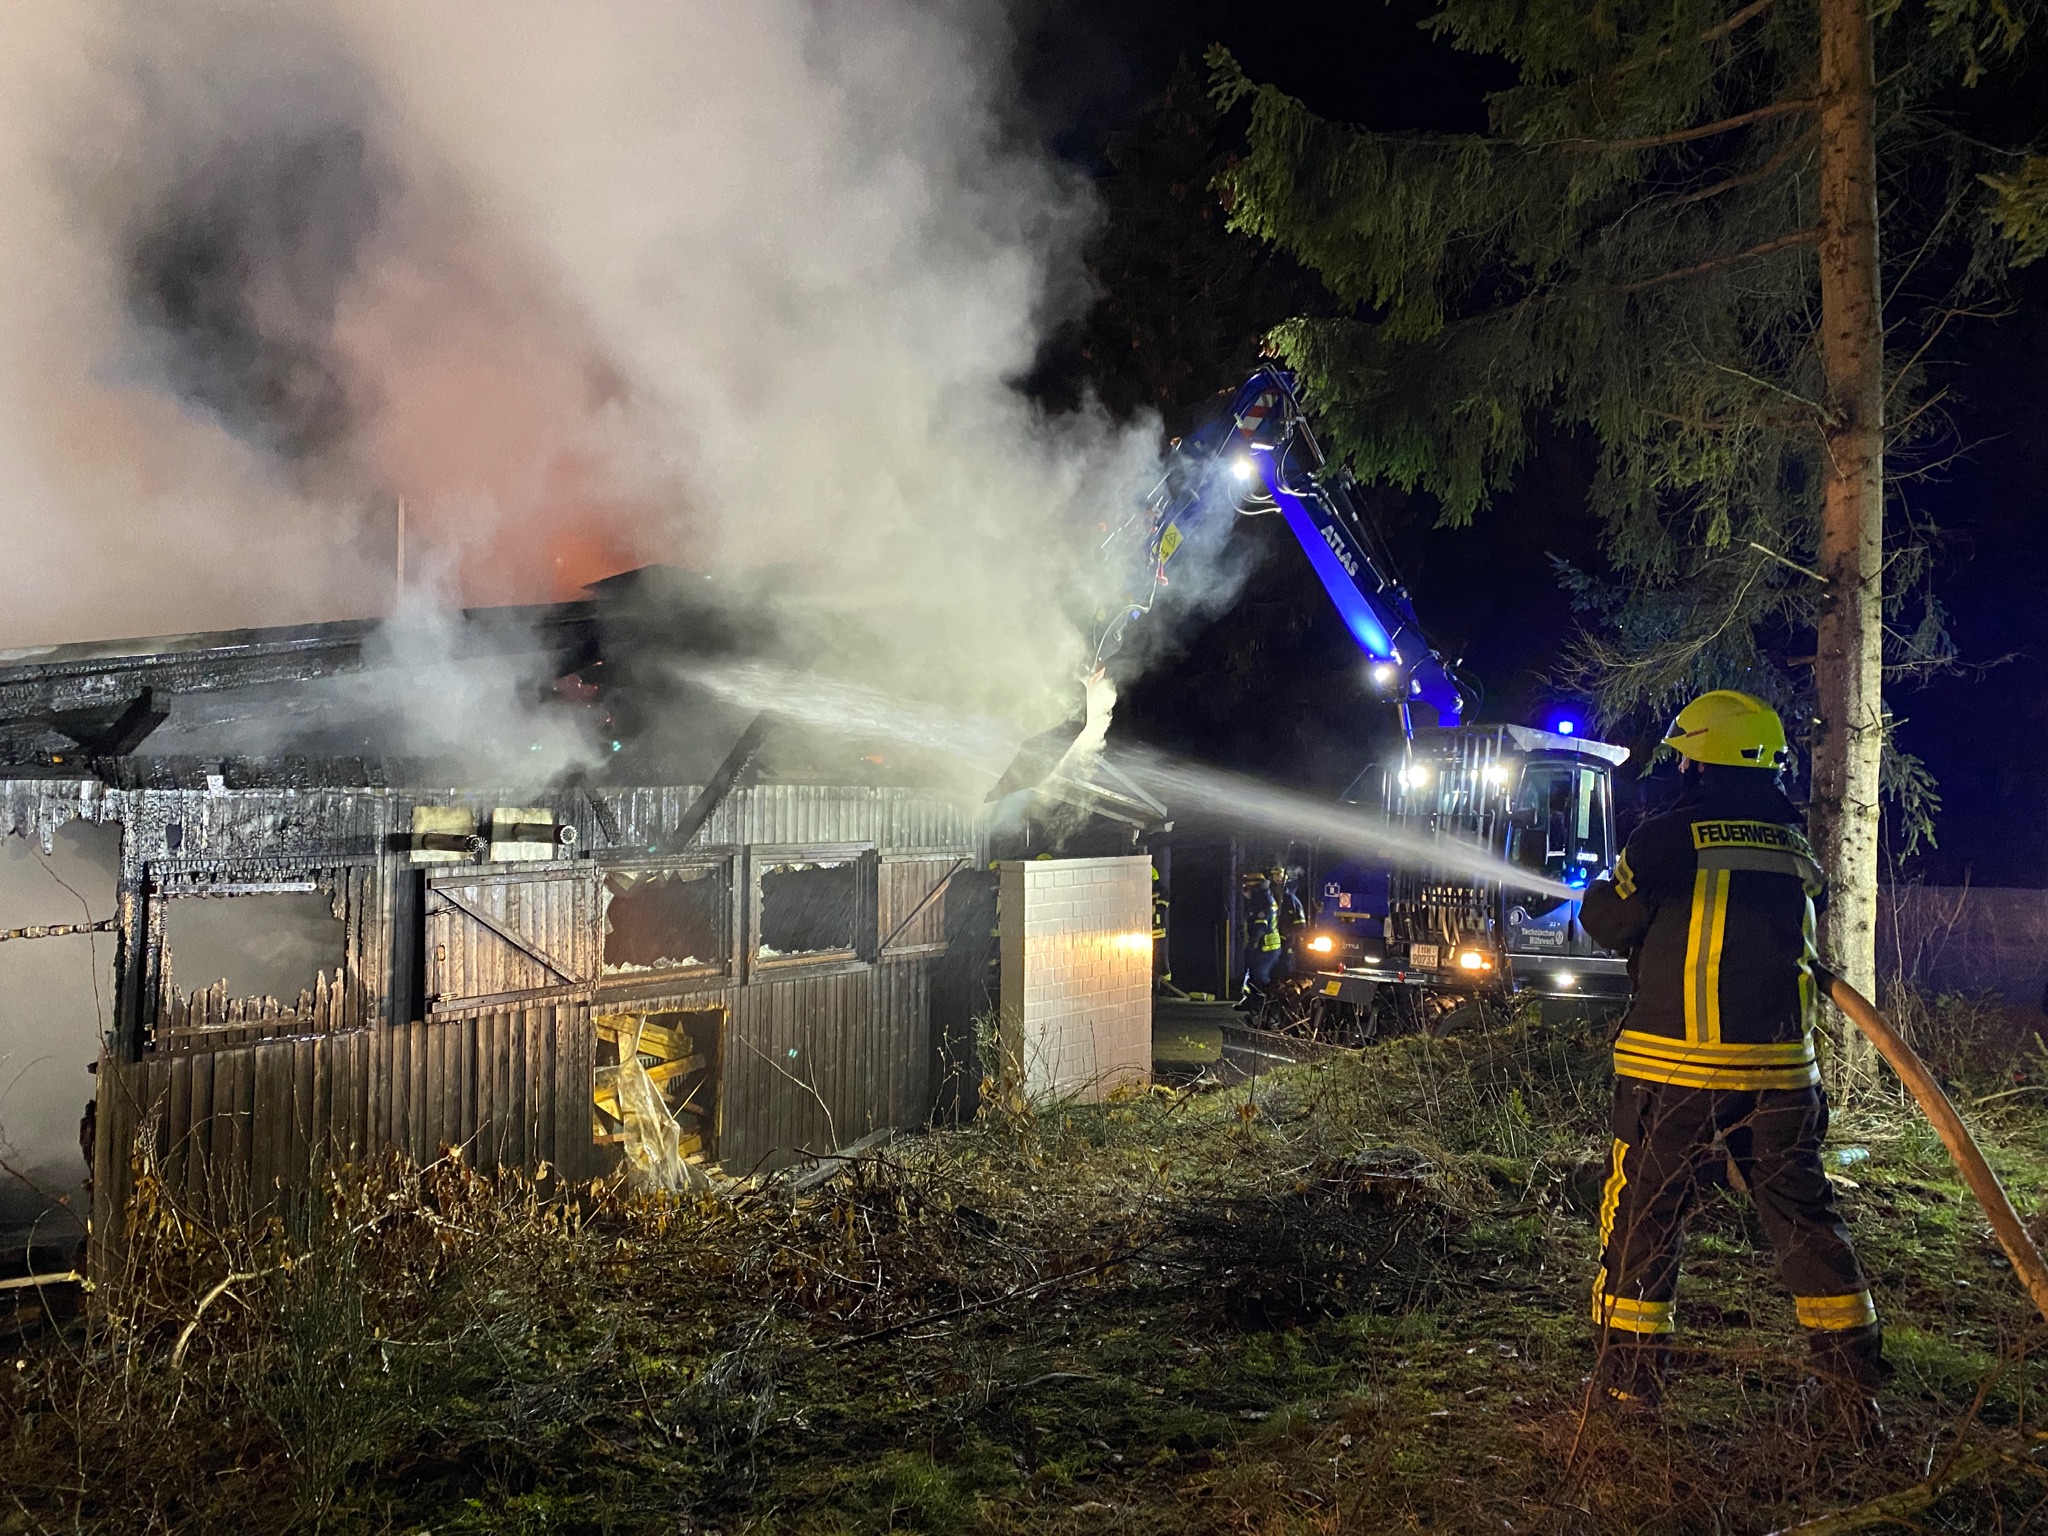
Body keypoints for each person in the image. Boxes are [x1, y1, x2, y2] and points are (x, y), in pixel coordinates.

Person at [1578, 690, 1886, 1428]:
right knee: (1801, 1216)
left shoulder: (1666, 838)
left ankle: (1628, 1386)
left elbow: (1606, 919)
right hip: (1782, 1077)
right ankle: (1851, 1387)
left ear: (1701, 760)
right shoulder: (1795, 847)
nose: (1679, 764)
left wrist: (1604, 894)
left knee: (1645, 1216)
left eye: (1685, 753)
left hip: (1674, 1074)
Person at [1238, 869, 1283, 1009]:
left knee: (1261, 977)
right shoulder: (1262, 898)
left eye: (1246, 888)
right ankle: (1252, 1002)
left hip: (1265, 947)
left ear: (1255, 888)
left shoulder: (1262, 901)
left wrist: (1251, 944)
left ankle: (1265, 1005)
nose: (1244, 892)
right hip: (1263, 947)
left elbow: (1260, 928)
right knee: (1253, 975)